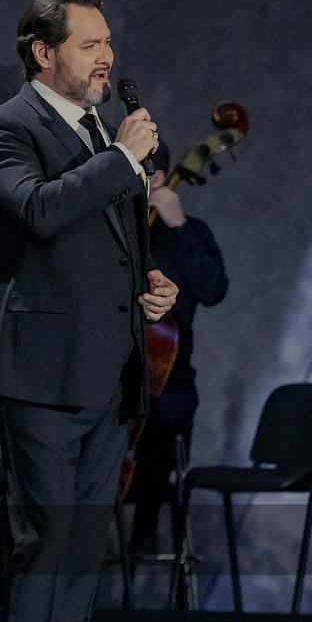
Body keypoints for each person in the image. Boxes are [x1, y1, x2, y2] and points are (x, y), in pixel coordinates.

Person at [0, 0, 178, 622]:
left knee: (85, 547)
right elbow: (38, 211)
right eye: (89, 44)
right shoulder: (3, 128)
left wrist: (151, 282)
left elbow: (115, 242)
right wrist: (121, 158)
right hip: (41, 372)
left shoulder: (101, 135)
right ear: (43, 53)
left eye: (108, 42)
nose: (106, 56)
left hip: (108, 370)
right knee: (49, 540)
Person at [127, 183, 228, 553]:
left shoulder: (190, 231)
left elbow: (214, 289)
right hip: (107, 378)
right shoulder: (111, 229)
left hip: (168, 380)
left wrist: (178, 225)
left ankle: (145, 528)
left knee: (164, 415)